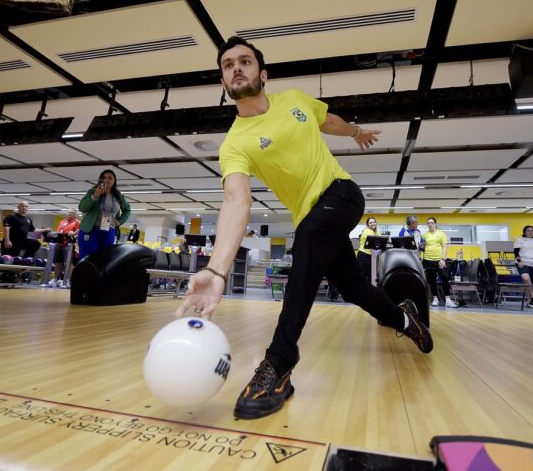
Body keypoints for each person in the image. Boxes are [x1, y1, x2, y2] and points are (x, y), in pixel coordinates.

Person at [175, 36, 433, 420]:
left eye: (244, 61)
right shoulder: (235, 143)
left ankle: (278, 365)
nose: (236, 68)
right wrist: (216, 270)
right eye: (228, 65)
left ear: (262, 74)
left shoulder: (294, 99)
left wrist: (356, 131)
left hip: (342, 193)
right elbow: (236, 200)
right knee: (354, 288)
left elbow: (328, 120)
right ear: (223, 82)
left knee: (310, 239)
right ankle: (405, 319)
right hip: (312, 217)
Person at [77, 169, 131, 261]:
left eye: (110, 178)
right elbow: (82, 208)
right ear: (100, 180)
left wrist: (120, 221)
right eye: (104, 178)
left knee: (104, 258)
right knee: (87, 258)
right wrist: (95, 195)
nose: (107, 180)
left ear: (114, 181)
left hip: (108, 229)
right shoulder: (93, 191)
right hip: (90, 229)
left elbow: (127, 210)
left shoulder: (118, 195)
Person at [421, 217, 458, 308]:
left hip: (439, 260)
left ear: (435, 224)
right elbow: (422, 247)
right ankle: (435, 299)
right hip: (428, 260)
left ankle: (448, 300)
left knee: (445, 278)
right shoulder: (425, 235)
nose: (430, 224)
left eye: (432, 222)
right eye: (428, 223)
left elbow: (445, 246)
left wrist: (443, 259)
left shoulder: (441, 233)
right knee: (431, 280)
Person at [48, 208, 80, 288]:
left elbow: (79, 234)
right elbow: (58, 232)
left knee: (69, 263)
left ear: (75, 214)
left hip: (68, 245)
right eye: (68, 212)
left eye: (71, 213)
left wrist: (73, 234)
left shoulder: (77, 222)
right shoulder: (62, 221)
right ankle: (55, 279)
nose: (69, 214)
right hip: (59, 244)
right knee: (58, 263)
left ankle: (68, 281)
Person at [357, 217, 379, 283]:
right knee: (365, 276)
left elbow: (379, 237)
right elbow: (375, 241)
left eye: (374, 222)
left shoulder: (374, 232)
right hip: (364, 255)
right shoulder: (368, 231)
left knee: (369, 276)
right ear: (367, 224)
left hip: (367, 255)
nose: (372, 224)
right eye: (370, 223)